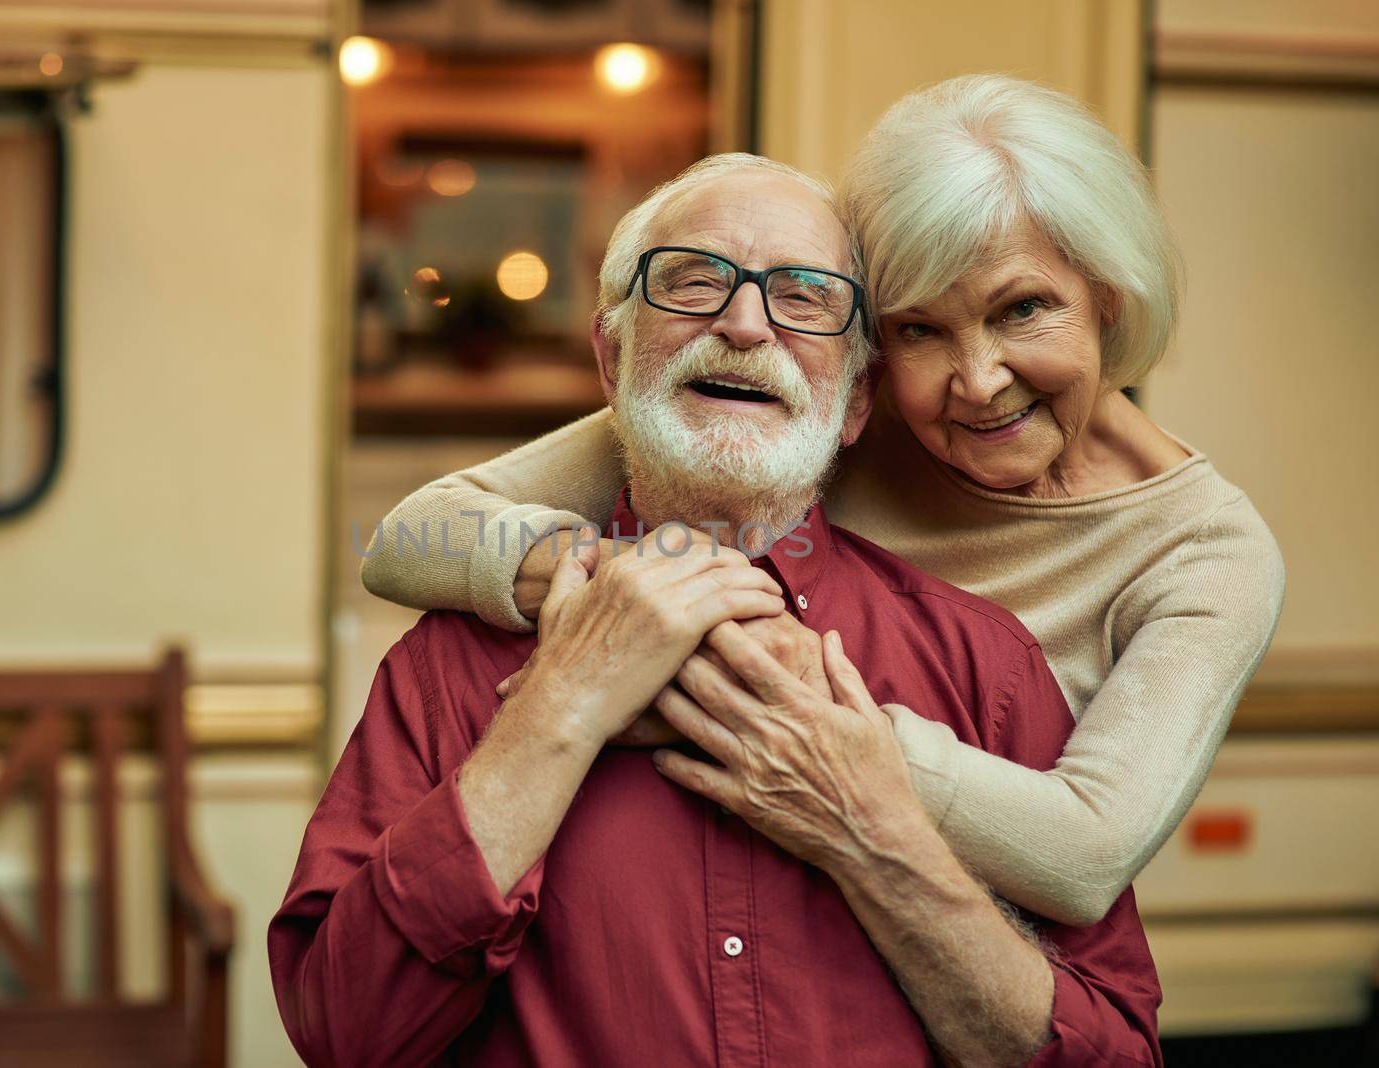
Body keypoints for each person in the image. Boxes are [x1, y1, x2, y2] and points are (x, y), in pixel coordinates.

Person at [271, 153, 1161, 1066]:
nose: (743, 324)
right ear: (612, 360)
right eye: (694, 282)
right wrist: (556, 713)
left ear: (857, 398)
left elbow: (1115, 1055)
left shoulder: (986, 668)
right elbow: (343, 1032)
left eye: (804, 297)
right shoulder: (449, 665)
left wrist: (876, 842)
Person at [358, 74, 1285, 926]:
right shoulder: (826, 408)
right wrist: (635, 590)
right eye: (920, 328)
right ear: (869, 363)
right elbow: (413, 536)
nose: (977, 381)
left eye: (1021, 311)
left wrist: (783, 708)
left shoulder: (1204, 550)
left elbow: (1086, 856)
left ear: (1109, 304)